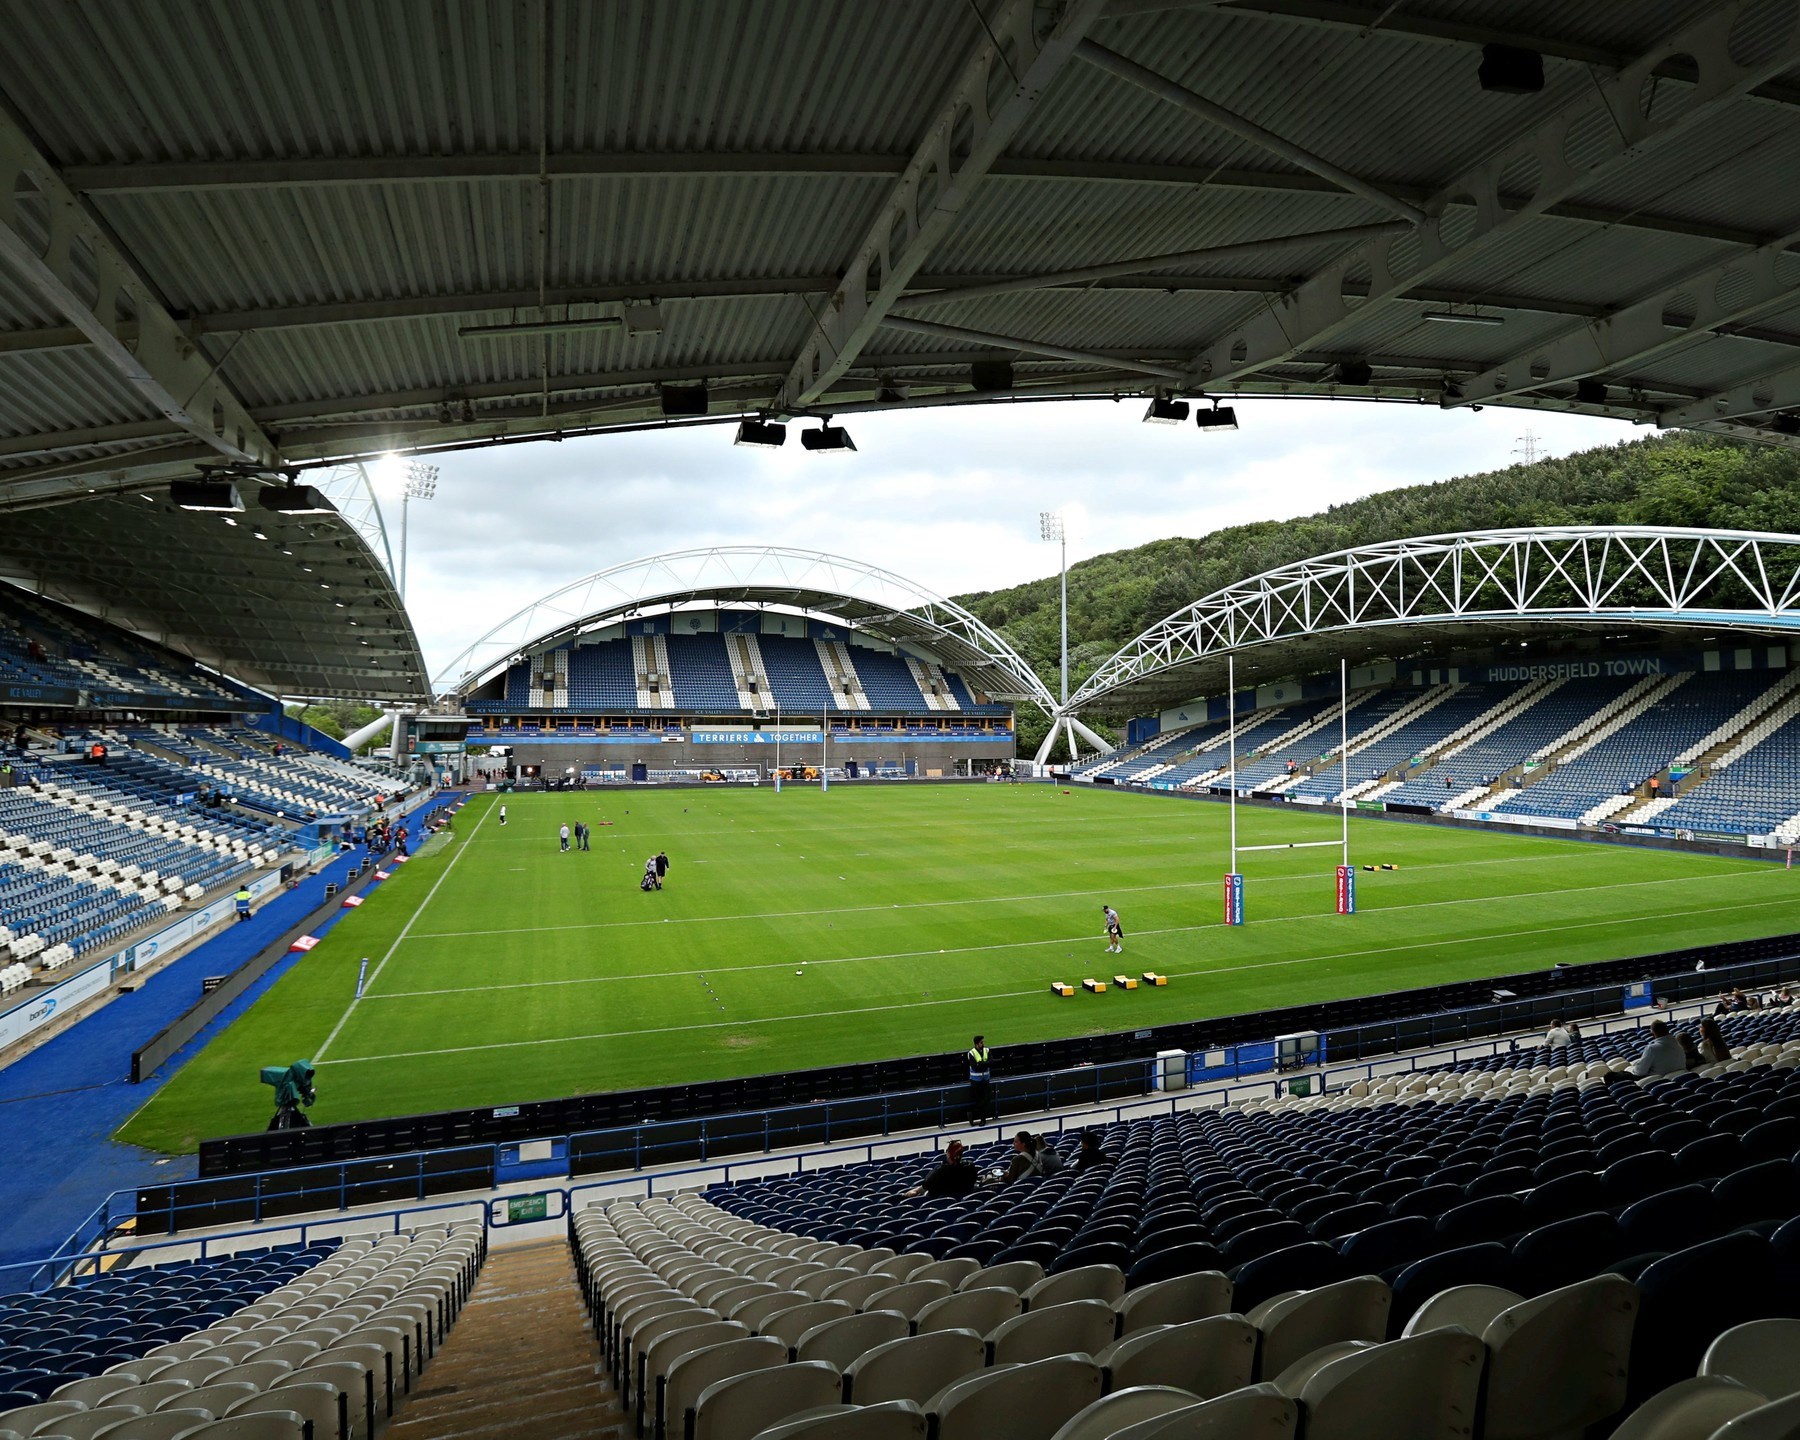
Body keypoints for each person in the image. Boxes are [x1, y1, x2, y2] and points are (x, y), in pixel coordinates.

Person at [903, 1140, 977, 1199]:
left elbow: (925, 1187)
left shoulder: (940, 1171)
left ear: (948, 1154)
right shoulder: (970, 1167)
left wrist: (912, 1192)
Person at [966, 1035, 993, 1124]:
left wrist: (981, 1064)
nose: (983, 1044)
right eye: (981, 1042)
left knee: (986, 1098)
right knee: (979, 1099)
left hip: (985, 1079)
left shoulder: (986, 1050)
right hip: (976, 1080)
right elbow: (975, 1067)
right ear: (977, 1044)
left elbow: (991, 1062)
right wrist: (985, 1064)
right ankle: (982, 1120)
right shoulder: (971, 1053)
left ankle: (972, 1113)